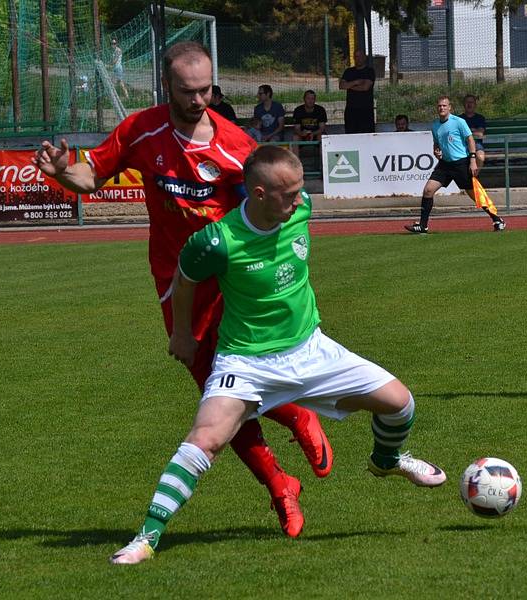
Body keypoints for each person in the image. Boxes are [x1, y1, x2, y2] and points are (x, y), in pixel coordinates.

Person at [32, 41, 331, 539]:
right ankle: (282, 482)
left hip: (231, 282)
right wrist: (62, 170)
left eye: (206, 89)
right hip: (175, 283)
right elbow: (91, 177)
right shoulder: (140, 130)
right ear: (165, 86)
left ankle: (296, 425)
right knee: (212, 390)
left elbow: (271, 213)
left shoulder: (236, 146)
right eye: (188, 90)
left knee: (229, 388)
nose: (199, 100)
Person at [109, 145, 447, 565]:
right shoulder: (217, 241)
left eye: (299, 190)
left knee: (401, 404)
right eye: (288, 193)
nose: (299, 200)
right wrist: (182, 334)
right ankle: (146, 539)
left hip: (312, 349)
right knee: (206, 439)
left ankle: (388, 459)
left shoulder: (300, 207)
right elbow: (184, 279)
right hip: (246, 363)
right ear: (259, 193)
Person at [404, 95, 505, 234]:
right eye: (439, 106)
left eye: (444, 106)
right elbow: (437, 144)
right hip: (445, 164)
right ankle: (423, 225)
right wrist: (436, 151)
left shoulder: (459, 122)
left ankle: (497, 219)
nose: (442, 108)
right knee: (428, 190)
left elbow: (470, 140)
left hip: (461, 164)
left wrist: (473, 160)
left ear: (449, 107)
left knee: (474, 194)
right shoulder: (435, 125)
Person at [339, 49, 376, 134]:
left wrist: (350, 86)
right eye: (356, 57)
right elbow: (342, 86)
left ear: (364, 58)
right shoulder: (348, 71)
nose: (358, 59)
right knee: (351, 134)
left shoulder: (370, 71)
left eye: (360, 56)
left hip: (366, 110)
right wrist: (356, 82)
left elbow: (365, 87)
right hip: (351, 110)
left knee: (367, 134)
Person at [292, 90, 328, 157]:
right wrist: (302, 133)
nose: (310, 101)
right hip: (302, 135)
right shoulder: (298, 110)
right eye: (308, 98)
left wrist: (312, 133)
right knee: (295, 137)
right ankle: (295, 164)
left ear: (315, 100)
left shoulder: (320, 110)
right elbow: (296, 128)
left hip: (316, 134)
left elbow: (322, 128)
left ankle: (323, 163)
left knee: (322, 137)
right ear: (304, 99)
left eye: (312, 99)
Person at [459, 94, 487, 168]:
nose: (469, 104)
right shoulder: (458, 119)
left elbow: (480, 134)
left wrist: (465, 131)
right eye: (467, 102)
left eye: (471, 102)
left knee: (480, 156)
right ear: (464, 105)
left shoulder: (480, 118)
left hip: (476, 144)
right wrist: (473, 130)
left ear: (475, 105)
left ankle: (474, 176)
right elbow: (457, 133)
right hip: (461, 144)